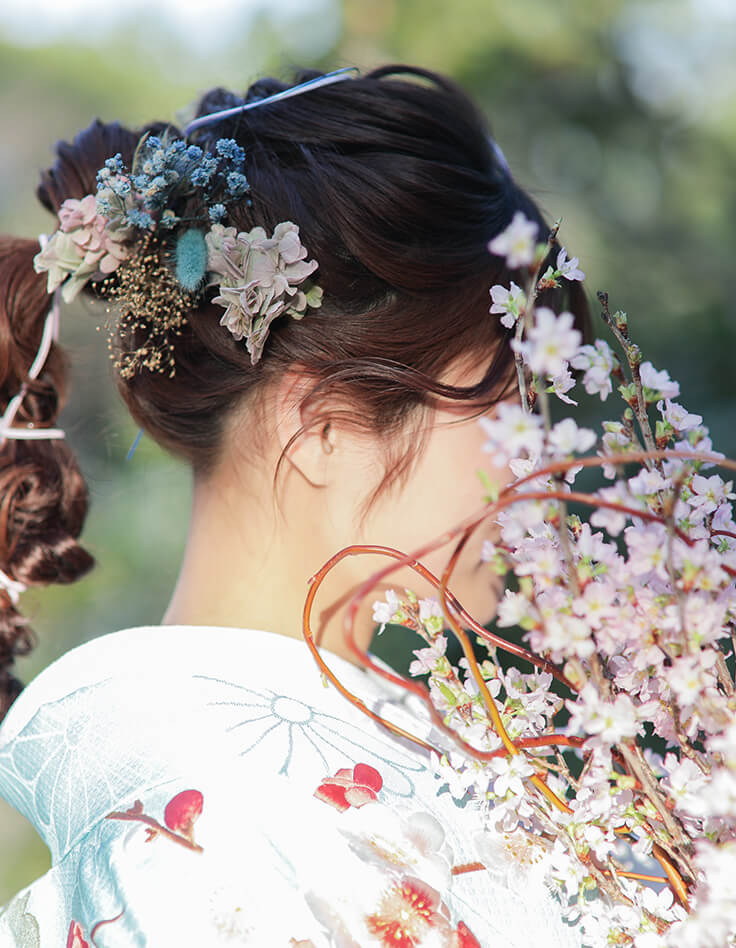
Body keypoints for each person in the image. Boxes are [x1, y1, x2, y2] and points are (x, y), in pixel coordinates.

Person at [0, 66, 589, 946]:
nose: (542, 472)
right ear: (319, 425)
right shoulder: (213, 824)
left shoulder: (325, 773)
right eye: (511, 406)